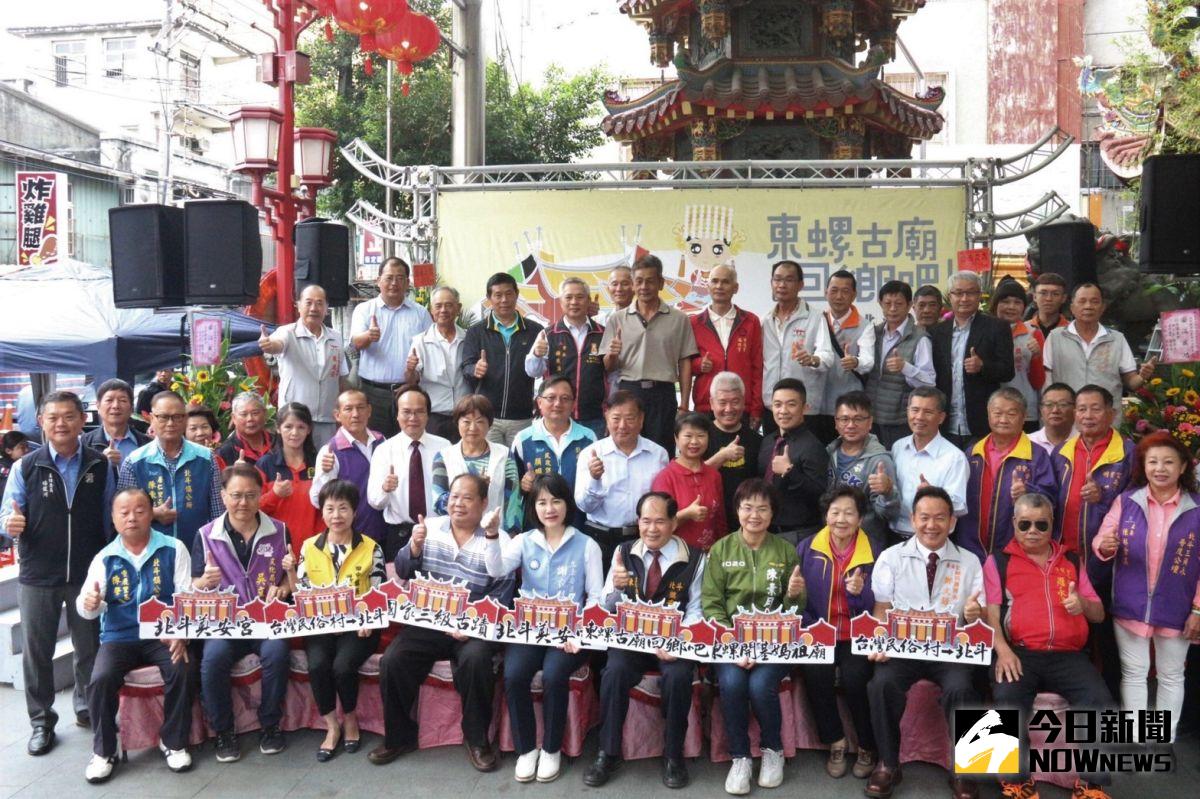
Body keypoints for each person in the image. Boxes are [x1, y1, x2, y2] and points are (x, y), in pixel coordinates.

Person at [369, 474, 514, 771]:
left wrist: (470, 623)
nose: (458, 503)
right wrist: (415, 548)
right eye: (454, 496)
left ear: (484, 503)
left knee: (476, 659)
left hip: (472, 625)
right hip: (431, 620)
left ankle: (477, 740)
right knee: (393, 660)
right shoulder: (429, 527)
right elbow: (405, 572)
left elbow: (502, 593)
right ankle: (399, 737)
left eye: (467, 498)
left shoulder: (498, 537)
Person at [2, 389, 114, 755]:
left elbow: (112, 519)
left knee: (89, 648)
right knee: (37, 652)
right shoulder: (26, 466)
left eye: (69, 416)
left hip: (87, 573)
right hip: (38, 574)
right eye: (53, 418)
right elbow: (7, 515)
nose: (61, 424)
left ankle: (86, 707)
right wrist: (11, 523)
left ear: (83, 420)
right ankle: (41, 721)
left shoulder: (100, 465)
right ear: (41, 423)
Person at [985, 493, 1114, 799]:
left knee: (1099, 699)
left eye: (1041, 524)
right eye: (1025, 523)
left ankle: (1090, 784)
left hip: (1068, 655)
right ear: (1014, 523)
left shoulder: (1071, 560)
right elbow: (990, 613)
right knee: (1006, 696)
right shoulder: (998, 561)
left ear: (1052, 525)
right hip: (1020, 651)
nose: (1032, 530)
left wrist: (1081, 603)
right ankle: (1015, 779)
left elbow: (1098, 615)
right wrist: (1002, 650)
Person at [865, 486, 985, 799]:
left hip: (949, 649)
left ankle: (966, 768)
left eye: (940, 518)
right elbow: (881, 609)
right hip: (903, 646)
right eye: (924, 518)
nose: (932, 525)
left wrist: (974, 614)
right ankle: (888, 764)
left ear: (952, 523)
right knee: (881, 684)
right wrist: (879, 642)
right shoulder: (891, 557)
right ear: (912, 519)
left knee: (963, 686)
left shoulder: (970, 561)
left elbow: (978, 617)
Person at [485, 473, 603, 783]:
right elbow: (495, 569)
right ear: (533, 507)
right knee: (514, 674)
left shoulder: (587, 544)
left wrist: (579, 635)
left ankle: (552, 748)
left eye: (556, 501)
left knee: (553, 674)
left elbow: (596, 597)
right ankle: (526, 749)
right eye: (541, 502)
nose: (549, 508)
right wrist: (492, 536)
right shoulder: (524, 540)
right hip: (531, 630)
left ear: (567, 504)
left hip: (570, 635)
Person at [583, 491, 705, 790]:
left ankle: (673, 755)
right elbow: (605, 604)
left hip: (673, 643)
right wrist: (616, 589)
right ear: (638, 522)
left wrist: (675, 642)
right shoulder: (623, 552)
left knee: (678, 677)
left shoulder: (695, 557)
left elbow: (696, 610)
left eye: (660, 521)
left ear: (674, 523)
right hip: (633, 640)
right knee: (614, 671)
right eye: (646, 521)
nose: (652, 529)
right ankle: (607, 751)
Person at [76, 488, 193, 783]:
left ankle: (173, 741)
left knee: (182, 668)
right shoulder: (105, 558)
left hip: (162, 633)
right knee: (100, 679)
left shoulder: (173, 548)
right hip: (119, 636)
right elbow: (87, 605)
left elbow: (186, 597)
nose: (132, 518)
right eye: (124, 512)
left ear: (151, 514)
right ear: (114, 519)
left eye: (140, 511)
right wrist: (90, 604)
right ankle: (105, 750)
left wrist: (181, 633)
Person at [1093, 431, 1200, 743]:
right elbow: (1101, 540)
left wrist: (1197, 608)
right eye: (1153, 461)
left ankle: (1163, 738)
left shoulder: (1195, 509)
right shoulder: (1127, 501)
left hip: (1178, 607)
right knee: (1134, 672)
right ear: (1144, 466)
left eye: (1169, 462)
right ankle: (1139, 737)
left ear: (1183, 467)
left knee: (1170, 675)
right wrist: (1106, 545)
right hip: (1131, 602)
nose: (1160, 468)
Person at [701, 479, 803, 795]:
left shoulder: (786, 551)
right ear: (737, 511)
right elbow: (711, 604)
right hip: (731, 640)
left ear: (773, 513)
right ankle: (740, 756)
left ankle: (773, 751)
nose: (754, 515)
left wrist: (794, 596)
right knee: (731, 684)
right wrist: (733, 642)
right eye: (747, 507)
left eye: (762, 508)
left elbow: (795, 612)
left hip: (773, 642)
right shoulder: (721, 549)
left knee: (760, 685)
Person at [193, 462, 293, 762]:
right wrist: (203, 583)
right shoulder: (206, 534)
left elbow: (291, 574)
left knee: (277, 653)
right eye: (236, 495)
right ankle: (224, 731)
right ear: (223, 496)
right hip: (227, 623)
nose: (243, 503)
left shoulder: (280, 530)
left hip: (266, 620)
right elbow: (193, 584)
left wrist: (285, 588)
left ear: (261, 495)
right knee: (213, 658)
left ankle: (270, 724)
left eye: (251, 495)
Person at [1050, 384, 1134, 698]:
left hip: (1109, 560)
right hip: (1068, 558)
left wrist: (1102, 498)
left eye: (1095, 408)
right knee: (1074, 630)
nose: (1087, 415)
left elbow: (1136, 503)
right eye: (1081, 408)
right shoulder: (1063, 452)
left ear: (1111, 413)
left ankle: (1112, 696)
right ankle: (1078, 695)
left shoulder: (1127, 452)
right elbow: (1050, 498)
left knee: (1107, 630)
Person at [296, 480, 385, 762]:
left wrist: (369, 619)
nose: (337, 515)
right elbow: (302, 590)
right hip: (321, 624)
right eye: (330, 508)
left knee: (343, 665)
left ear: (354, 512)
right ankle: (331, 725)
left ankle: (350, 719)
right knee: (319, 664)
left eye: (343, 508)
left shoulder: (371, 548)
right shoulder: (309, 547)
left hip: (360, 626)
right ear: (322, 512)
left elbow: (379, 593)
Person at [796, 486, 880, 781]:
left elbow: (879, 607)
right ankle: (835, 742)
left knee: (857, 679)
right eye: (835, 512)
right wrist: (799, 606)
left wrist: (858, 595)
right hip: (819, 629)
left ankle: (868, 746)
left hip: (856, 632)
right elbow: (798, 601)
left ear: (860, 518)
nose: (841, 519)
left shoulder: (875, 552)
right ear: (826, 515)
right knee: (815, 673)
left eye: (849, 513)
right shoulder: (807, 547)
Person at [600, 254, 699, 454]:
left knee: (661, 451)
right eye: (639, 281)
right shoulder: (617, 319)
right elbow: (607, 366)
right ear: (633, 285)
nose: (644, 286)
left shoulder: (679, 319)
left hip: (662, 394)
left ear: (661, 283)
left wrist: (685, 403)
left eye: (650, 281)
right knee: (624, 448)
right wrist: (611, 354)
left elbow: (684, 362)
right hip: (628, 391)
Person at [955, 388, 1057, 562]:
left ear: (1024, 417)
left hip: (1016, 551)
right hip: (970, 549)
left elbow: (1052, 499)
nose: (1003, 419)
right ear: (988, 416)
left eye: (1011, 414)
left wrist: (1028, 493)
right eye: (997, 413)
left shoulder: (1037, 456)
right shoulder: (972, 453)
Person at [117, 391, 223, 552]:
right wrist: (152, 514)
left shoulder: (206, 458)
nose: (170, 423)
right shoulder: (135, 461)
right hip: (150, 553)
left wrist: (217, 551)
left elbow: (218, 512)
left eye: (177, 417)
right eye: (163, 417)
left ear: (185, 419)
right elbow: (122, 514)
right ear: (152, 419)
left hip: (197, 550)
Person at [575, 391, 670, 566]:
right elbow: (583, 506)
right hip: (600, 540)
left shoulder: (658, 454)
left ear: (641, 419)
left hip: (643, 540)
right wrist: (595, 479)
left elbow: (663, 502)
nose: (622, 425)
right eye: (616, 418)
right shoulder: (590, 454)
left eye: (630, 418)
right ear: (606, 417)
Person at [930, 271, 1015, 447]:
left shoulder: (997, 327)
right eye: (958, 293)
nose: (964, 298)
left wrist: (982, 366)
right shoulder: (937, 332)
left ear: (979, 296)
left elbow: (1008, 371)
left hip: (981, 422)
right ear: (950, 296)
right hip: (946, 422)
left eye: (971, 292)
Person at [349, 257, 433, 437]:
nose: (394, 283)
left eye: (400, 278)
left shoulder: (420, 313)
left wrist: (413, 381)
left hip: (408, 391)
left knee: (409, 445)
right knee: (374, 443)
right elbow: (354, 344)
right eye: (389, 278)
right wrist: (368, 336)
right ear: (378, 280)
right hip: (373, 393)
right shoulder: (364, 310)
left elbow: (429, 352)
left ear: (407, 282)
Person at [366, 385, 451, 561]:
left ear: (428, 414)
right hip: (399, 534)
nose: (413, 418)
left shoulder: (445, 447)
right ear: (397, 415)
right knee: (399, 587)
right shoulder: (384, 450)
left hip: (437, 532)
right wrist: (385, 488)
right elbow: (374, 502)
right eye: (406, 412)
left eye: (419, 412)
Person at [258, 285, 348, 447]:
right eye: (308, 303)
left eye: (320, 303)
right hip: (294, 419)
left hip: (326, 418)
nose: (314, 308)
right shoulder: (287, 332)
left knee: (324, 465)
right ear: (298, 305)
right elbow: (277, 345)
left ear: (327, 308)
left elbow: (341, 378)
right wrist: (268, 345)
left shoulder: (336, 337)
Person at [462, 272, 545, 446]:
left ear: (517, 295)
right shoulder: (476, 331)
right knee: (489, 468)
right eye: (498, 295)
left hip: (521, 416)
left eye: (509, 294)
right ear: (489, 298)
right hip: (486, 416)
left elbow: (542, 370)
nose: (504, 300)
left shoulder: (534, 330)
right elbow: (466, 367)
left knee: (519, 468)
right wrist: (474, 369)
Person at [1042, 283, 1156, 403]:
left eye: (1094, 301)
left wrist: (1142, 376)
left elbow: (1131, 382)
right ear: (1072, 308)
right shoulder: (1056, 337)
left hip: (1106, 416)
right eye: (1082, 301)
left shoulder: (1117, 339)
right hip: (1068, 415)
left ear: (1103, 307)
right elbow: (1047, 382)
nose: (1088, 306)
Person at [525, 276, 608, 437]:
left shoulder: (602, 333)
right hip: (557, 417)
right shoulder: (548, 334)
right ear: (561, 301)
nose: (574, 302)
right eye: (568, 297)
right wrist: (536, 354)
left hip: (594, 417)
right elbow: (532, 371)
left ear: (588, 300)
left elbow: (612, 376)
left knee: (592, 462)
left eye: (580, 297)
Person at [310, 390, 389, 550]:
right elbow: (317, 500)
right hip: (352, 536)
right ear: (337, 415)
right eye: (348, 409)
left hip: (385, 529)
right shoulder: (330, 450)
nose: (355, 414)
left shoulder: (382, 441)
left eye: (360, 408)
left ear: (369, 411)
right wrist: (325, 474)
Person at [511, 376, 596, 525]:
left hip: (578, 524)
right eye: (551, 398)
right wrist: (524, 487)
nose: (558, 404)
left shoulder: (588, 438)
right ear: (539, 402)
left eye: (565, 398)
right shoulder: (523, 439)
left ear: (573, 404)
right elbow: (513, 490)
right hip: (537, 527)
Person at [431, 394, 521, 531]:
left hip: (495, 534)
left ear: (489, 424)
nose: (473, 428)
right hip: (455, 535)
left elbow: (513, 499)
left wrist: (512, 534)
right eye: (466, 422)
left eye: (479, 422)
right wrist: (470, 490)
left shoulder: (504, 455)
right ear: (457, 423)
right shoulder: (443, 456)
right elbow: (438, 502)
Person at [689, 265, 764, 428]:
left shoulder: (751, 321)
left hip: (740, 407)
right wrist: (698, 365)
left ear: (735, 288)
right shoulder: (694, 323)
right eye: (714, 281)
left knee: (740, 453)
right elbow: (684, 364)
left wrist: (756, 409)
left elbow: (758, 368)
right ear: (707, 287)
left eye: (725, 282)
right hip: (706, 406)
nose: (719, 286)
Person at [760, 260, 829, 437]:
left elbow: (827, 356)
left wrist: (813, 359)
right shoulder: (764, 321)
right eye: (777, 279)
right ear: (771, 283)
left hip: (803, 409)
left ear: (800, 285)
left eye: (789, 280)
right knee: (772, 459)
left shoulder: (814, 317)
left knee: (802, 459)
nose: (782, 285)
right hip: (772, 407)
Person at [890, 387, 970, 540]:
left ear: (941, 418)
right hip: (893, 536)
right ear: (907, 412)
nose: (919, 417)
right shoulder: (898, 447)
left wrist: (933, 494)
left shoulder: (954, 457)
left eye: (928, 412)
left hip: (931, 538)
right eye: (914, 410)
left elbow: (959, 506)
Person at [825, 392, 899, 551]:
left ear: (870, 422)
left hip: (866, 545)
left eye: (858, 419)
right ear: (836, 422)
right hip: (830, 541)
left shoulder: (880, 460)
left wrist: (888, 492)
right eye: (844, 419)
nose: (850, 425)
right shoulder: (828, 453)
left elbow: (889, 514)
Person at [758, 378, 829, 543]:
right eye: (777, 405)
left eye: (791, 404)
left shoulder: (813, 446)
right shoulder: (768, 441)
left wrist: (790, 472)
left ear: (804, 408)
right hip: (766, 530)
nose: (783, 411)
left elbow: (822, 495)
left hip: (799, 534)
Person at [867, 281, 935, 449]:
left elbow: (930, 382)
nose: (892, 309)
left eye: (898, 304)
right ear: (880, 304)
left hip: (900, 420)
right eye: (887, 304)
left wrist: (905, 367)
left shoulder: (920, 338)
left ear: (910, 305)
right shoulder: (872, 333)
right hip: (871, 416)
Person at [812, 270, 876, 446]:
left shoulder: (865, 326)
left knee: (847, 454)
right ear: (825, 293)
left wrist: (855, 362)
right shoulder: (815, 321)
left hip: (848, 410)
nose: (839, 296)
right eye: (834, 290)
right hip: (815, 405)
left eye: (845, 291)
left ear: (854, 295)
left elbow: (868, 361)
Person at [652, 413, 726, 552]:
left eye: (701, 435)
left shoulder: (714, 475)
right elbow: (656, 524)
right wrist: (686, 514)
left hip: (711, 555)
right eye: (688, 436)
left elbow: (720, 520)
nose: (694, 442)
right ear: (676, 439)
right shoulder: (665, 477)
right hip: (677, 556)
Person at [257, 402, 323, 558]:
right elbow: (252, 508)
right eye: (288, 427)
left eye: (301, 427)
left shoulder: (319, 462)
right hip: (274, 548)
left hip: (314, 548)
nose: (295, 432)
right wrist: (274, 494)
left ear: (309, 429)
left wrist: (322, 541)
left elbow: (329, 505)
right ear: (278, 429)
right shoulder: (265, 464)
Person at [406, 285, 468, 442]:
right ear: (431, 310)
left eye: (449, 305)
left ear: (458, 308)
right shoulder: (420, 341)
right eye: (438, 306)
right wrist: (410, 369)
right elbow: (411, 380)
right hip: (434, 416)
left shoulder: (469, 338)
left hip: (465, 414)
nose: (443, 310)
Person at [703, 373, 764, 531]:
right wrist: (721, 457)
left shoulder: (757, 441)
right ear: (711, 403)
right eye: (722, 402)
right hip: (707, 521)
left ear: (744, 402)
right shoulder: (699, 437)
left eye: (735, 402)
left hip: (746, 524)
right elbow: (689, 477)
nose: (729, 409)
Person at [990, 278, 1044, 431]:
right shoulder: (984, 331)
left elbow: (1038, 382)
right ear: (996, 304)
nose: (1011, 307)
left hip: (1025, 411)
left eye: (1017, 302)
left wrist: (1036, 357)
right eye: (1005, 301)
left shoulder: (1033, 333)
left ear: (1024, 307)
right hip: (992, 410)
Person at [82, 379, 150, 466]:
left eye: (123, 400)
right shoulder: (85, 443)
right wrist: (101, 461)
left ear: (131, 408)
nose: (115, 406)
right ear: (98, 406)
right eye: (109, 400)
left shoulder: (146, 444)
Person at [216, 391, 273, 466]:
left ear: (265, 414)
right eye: (244, 414)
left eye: (255, 413)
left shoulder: (279, 443)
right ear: (234, 418)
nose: (250, 419)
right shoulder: (224, 452)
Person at [1030, 382, 1076, 454]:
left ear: (1075, 410)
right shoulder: (1028, 442)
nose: (1055, 410)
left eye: (1062, 404)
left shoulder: (1085, 442)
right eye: (1049, 404)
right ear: (1041, 411)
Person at [1028, 272, 1070, 340]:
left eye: (1055, 294)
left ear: (1063, 298)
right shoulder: (1024, 330)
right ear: (1035, 297)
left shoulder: (1072, 331)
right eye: (1043, 293)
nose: (1049, 299)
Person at [0, 430, 30, 498]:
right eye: (22, 447)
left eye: (27, 446)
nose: (27, 450)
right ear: (8, 450)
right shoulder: (7, 470)